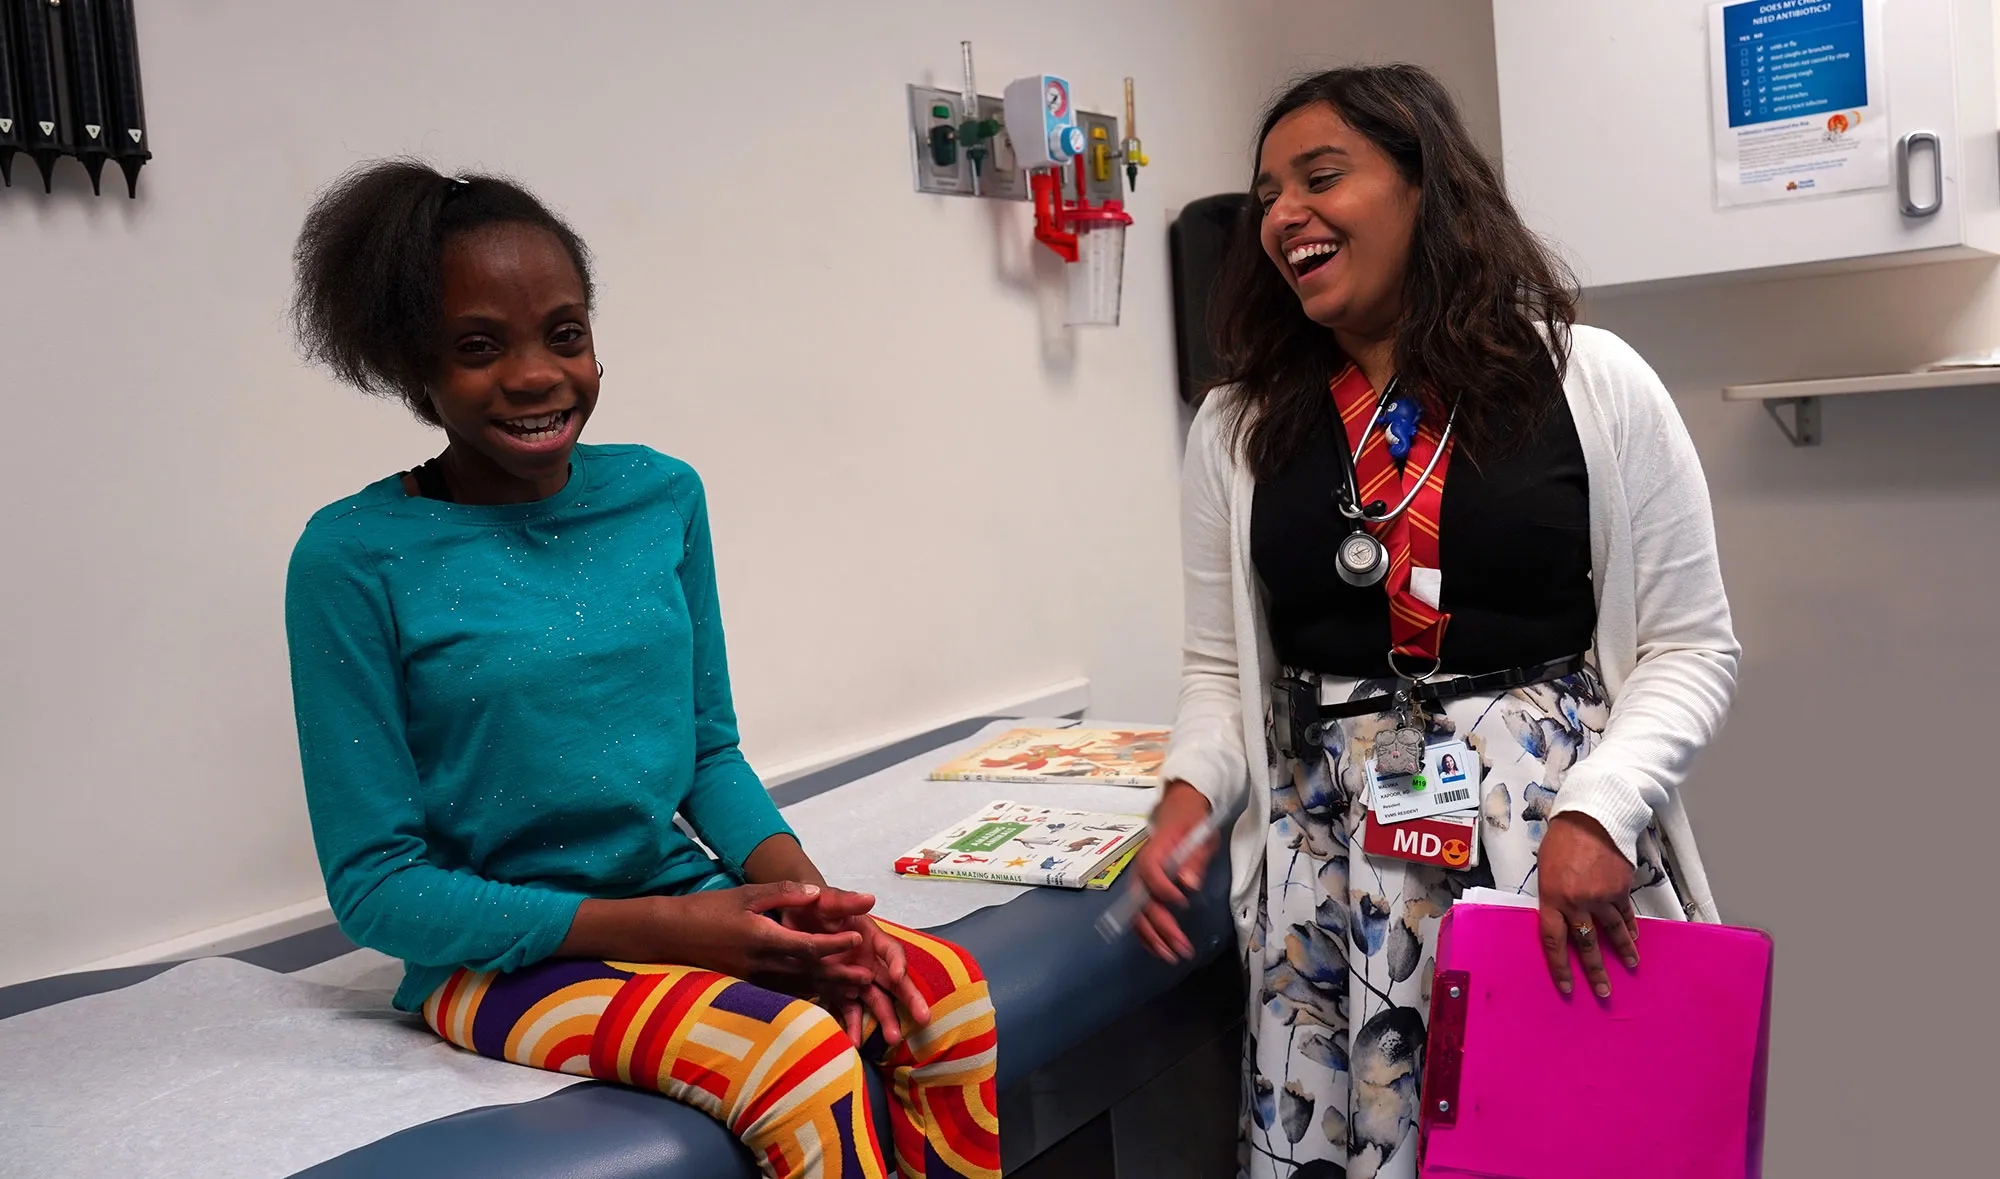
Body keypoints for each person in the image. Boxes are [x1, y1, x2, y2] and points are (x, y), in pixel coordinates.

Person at [283, 160, 999, 1179]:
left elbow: (706, 752)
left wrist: (812, 912)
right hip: (493, 960)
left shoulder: (660, 495)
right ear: (414, 370)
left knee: (940, 1000)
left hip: (681, 894)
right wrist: (680, 929)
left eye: (563, 334)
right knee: (798, 1063)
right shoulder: (351, 558)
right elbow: (375, 887)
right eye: (479, 347)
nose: (536, 375)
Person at [1127, 66, 1738, 1179]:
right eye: (1265, 195)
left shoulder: (1587, 378)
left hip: (1550, 854)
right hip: (1331, 873)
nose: (1282, 216)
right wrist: (1186, 793)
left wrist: (1599, 815)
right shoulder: (1236, 426)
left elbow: (1692, 646)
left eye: (1320, 178)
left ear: (1425, 190)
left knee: (1566, 1145)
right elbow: (1220, 669)